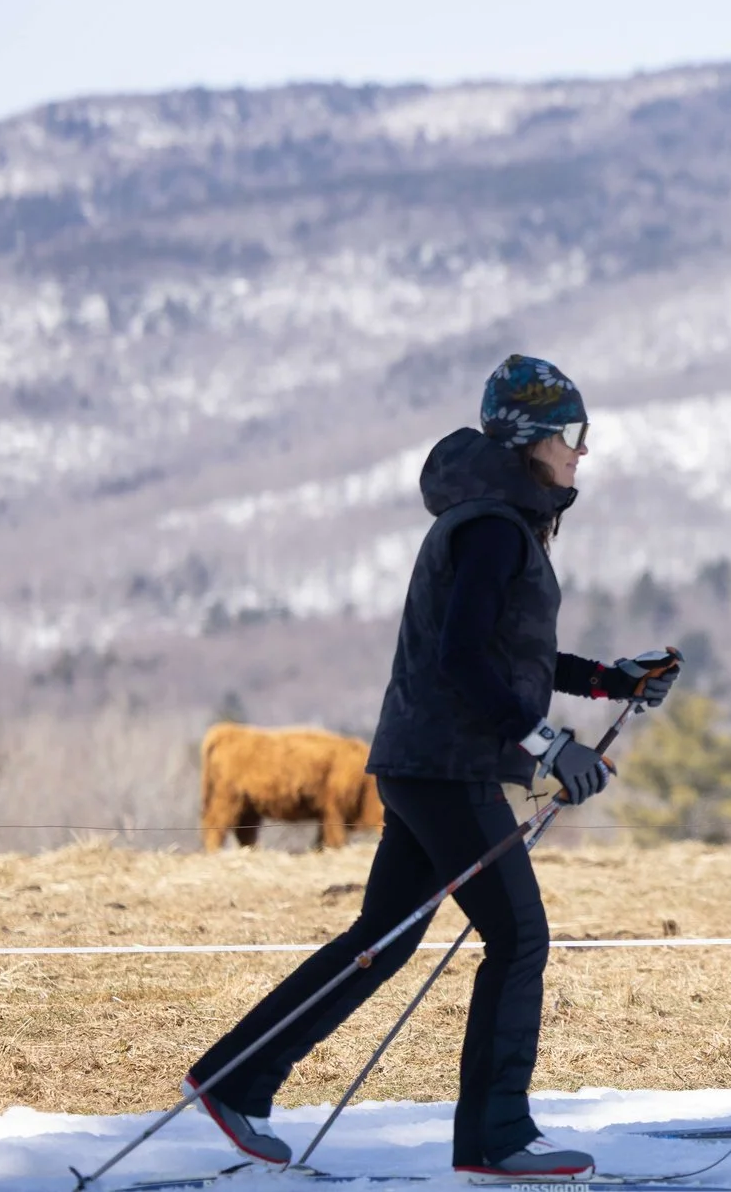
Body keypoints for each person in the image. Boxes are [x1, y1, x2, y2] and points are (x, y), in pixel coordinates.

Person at [183, 355, 683, 1181]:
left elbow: (506, 649)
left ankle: (237, 1078)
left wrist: (609, 679)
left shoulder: (500, 518)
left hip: (424, 761)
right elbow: (461, 656)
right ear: (532, 438)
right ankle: (497, 1135)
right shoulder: (494, 525)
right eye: (574, 434)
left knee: (382, 936)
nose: (582, 452)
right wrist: (547, 743)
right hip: (447, 765)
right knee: (520, 935)